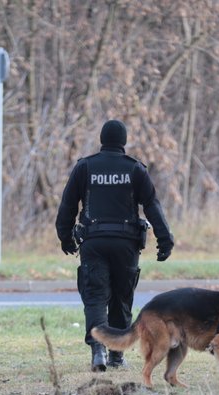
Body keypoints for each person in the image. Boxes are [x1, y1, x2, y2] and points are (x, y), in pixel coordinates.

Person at [55, 119, 174, 372]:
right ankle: (117, 355)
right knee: (122, 298)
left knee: (95, 296)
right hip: (126, 245)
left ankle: (98, 350)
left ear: (102, 139)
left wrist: (65, 237)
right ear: (123, 141)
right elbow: (152, 205)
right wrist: (165, 239)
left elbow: (67, 205)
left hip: (93, 242)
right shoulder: (135, 169)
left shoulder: (85, 167)